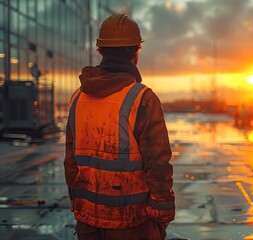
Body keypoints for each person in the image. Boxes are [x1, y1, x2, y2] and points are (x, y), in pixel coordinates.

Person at [64, 14, 175, 240]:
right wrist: (162, 211)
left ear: (101, 52)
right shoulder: (142, 98)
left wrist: (79, 204)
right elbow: (158, 163)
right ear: (136, 53)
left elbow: (70, 161)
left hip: (88, 222)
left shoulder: (78, 97)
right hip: (132, 222)